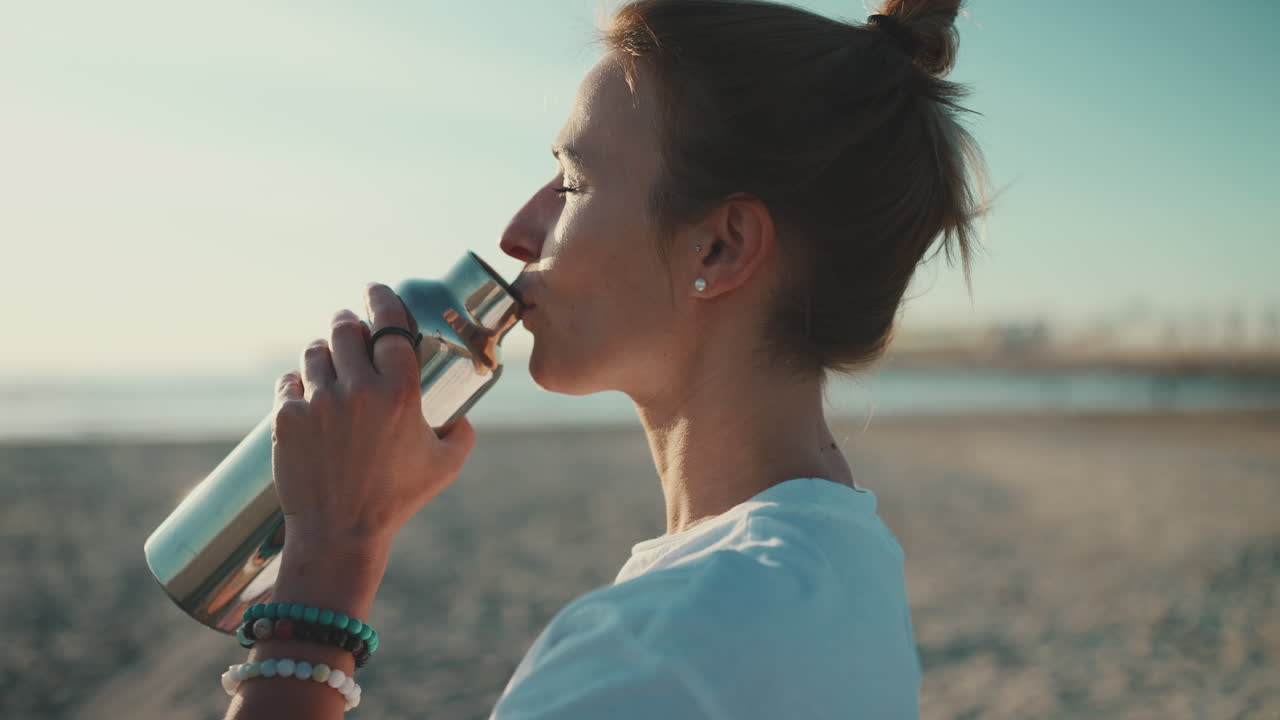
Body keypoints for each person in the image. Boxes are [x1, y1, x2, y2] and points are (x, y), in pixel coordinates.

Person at [223, 0, 990, 717]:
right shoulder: (839, 560)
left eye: (573, 182)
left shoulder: (666, 643)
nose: (518, 233)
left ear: (719, 249)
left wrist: (330, 554)